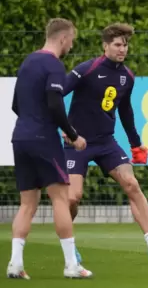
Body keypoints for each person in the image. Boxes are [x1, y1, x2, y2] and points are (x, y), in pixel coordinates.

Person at [62, 23, 148, 264]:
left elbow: (125, 112)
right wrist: (65, 130)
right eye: (117, 45)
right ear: (105, 46)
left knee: (131, 184)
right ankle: (69, 246)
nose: (122, 49)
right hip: (78, 143)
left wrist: (136, 145)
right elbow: (56, 93)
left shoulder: (128, 76)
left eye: (125, 45)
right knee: (73, 198)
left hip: (106, 142)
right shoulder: (87, 69)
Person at [7, 18, 93, 279]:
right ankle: (71, 265)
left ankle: (15, 264)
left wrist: (34, 120)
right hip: (43, 139)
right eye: (72, 41)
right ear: (63, 38)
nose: (71, 46)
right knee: (60, 198)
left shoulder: (28, 62)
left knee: (27, 204)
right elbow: (56, 105)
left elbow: (15, 105)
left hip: (20, 138)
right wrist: (73, 135)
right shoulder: (54, 65)